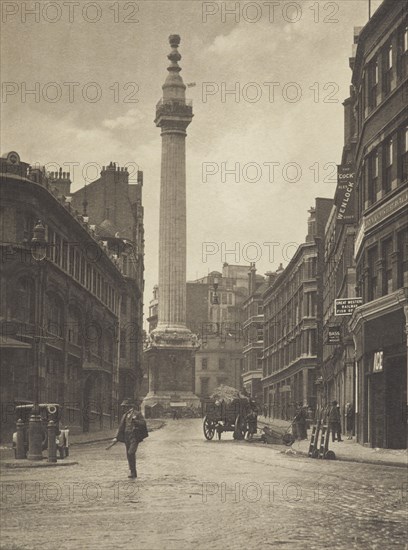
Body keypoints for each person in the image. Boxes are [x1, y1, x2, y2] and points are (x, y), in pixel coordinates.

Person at [111, 398, 148, 478]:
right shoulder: (125, 415)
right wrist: (116, 437)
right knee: (128, 455)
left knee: (131, 452)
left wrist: (135, 421)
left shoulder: (137, 414)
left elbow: (143, 423)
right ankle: (132, 472)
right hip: (126, 436)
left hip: (134, 436)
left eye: (124, 406)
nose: (123, 408)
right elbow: (121, 427)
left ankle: (133, 471)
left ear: (129, 406)